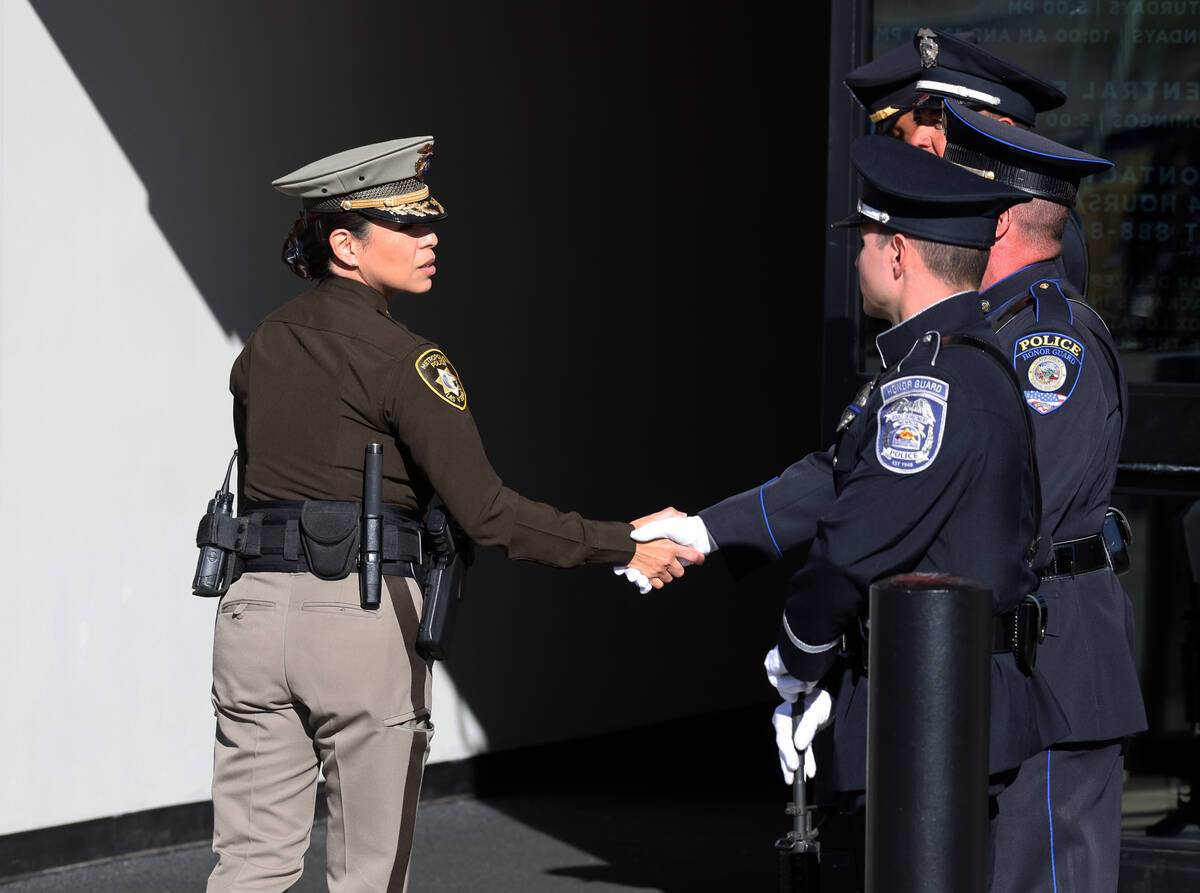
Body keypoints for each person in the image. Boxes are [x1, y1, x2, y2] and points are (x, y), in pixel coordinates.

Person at [205, 136, 701, 892]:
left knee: (248, 868)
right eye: (407, 227)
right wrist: (624, 544)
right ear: (345, 244)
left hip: (250, 615)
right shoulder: (405, 358)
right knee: (367, 875)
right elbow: (488, 512)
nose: (430, 238)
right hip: (359, 618)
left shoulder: (262, 346)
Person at [941, 99, 1146, 893]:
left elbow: (1021, 510)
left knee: (1045, 877)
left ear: (994, 222)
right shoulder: (987, 328)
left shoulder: (1046, 340)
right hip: (1012, 658)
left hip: (1055, 663)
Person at [841, 27, 1092, 297]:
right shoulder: (956, 212)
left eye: (940, 122)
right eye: (919, 120)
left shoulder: (1034, 224)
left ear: (1003, 131)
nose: (918, 140)